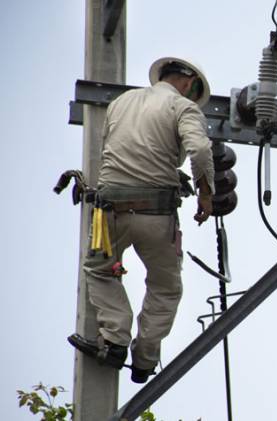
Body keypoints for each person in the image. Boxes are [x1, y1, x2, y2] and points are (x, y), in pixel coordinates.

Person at [68, 57, 215, 384]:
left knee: (100, 270)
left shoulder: (121, 103)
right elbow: (200, 151)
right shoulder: (182, 107)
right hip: (156, 215)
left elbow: (120, 151)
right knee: (165, 286)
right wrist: (206, 194)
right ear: (189, 83)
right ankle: (146, 357)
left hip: (110, 213)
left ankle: (115, 340)